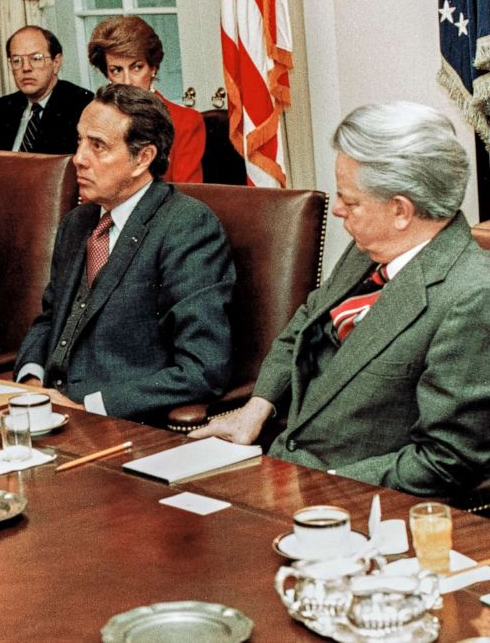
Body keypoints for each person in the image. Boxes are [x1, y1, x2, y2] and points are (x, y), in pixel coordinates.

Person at [189, 102, 490, 498]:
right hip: (276, 464)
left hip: (351, 505)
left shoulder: (471, 295)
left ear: (401, 210)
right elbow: (303, 323)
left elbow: (446, 459)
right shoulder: (369, 248)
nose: (340, 210)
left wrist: (319, 489)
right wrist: (256, 407)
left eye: (352, 200)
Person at [14, 84, 234, 423]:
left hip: (122, 425)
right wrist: (31, 380)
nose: (79, 159)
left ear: (142, 158)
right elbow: (50, 319)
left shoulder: (187, 227)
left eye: (97, 146)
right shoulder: (77, 223)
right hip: (48, 413)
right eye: (80, 141)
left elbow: (202, 369)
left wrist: (90, 408)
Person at [88, 16, 205, 183]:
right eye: (116, 70)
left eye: (136, 67)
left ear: (153, 68)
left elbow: (186, 197)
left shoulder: (185, 121)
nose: (127, 81)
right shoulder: (96, 121)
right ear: (107, 74)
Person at [0, 26, 93, 155]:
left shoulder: (81, 105)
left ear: (56, 63)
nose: (25, 68)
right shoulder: (0, 109)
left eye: (36, 58)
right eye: (16, 60)